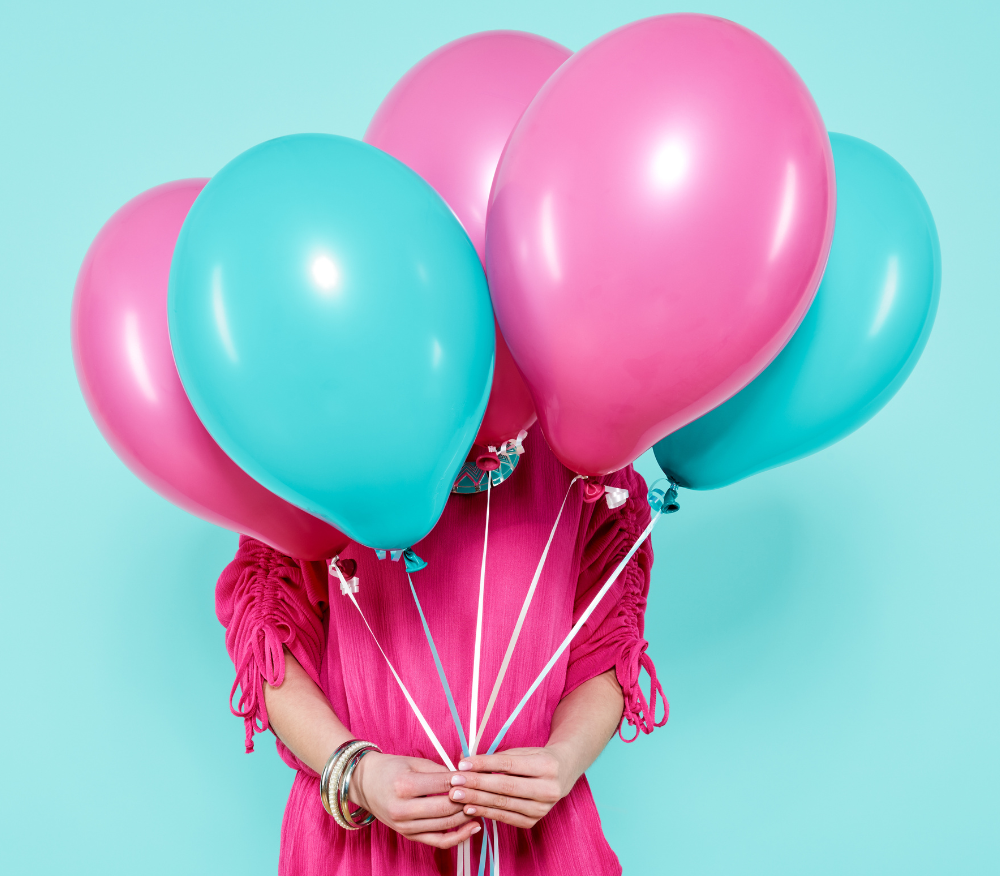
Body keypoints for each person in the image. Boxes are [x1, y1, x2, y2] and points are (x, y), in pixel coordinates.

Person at [216, 435, 666, 875]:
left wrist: (564, 759)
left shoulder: (586, 441)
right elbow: (272, 644)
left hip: (539, 840)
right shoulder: (322, 436)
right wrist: (357, 774)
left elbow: (606, 644)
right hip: (364, 833)